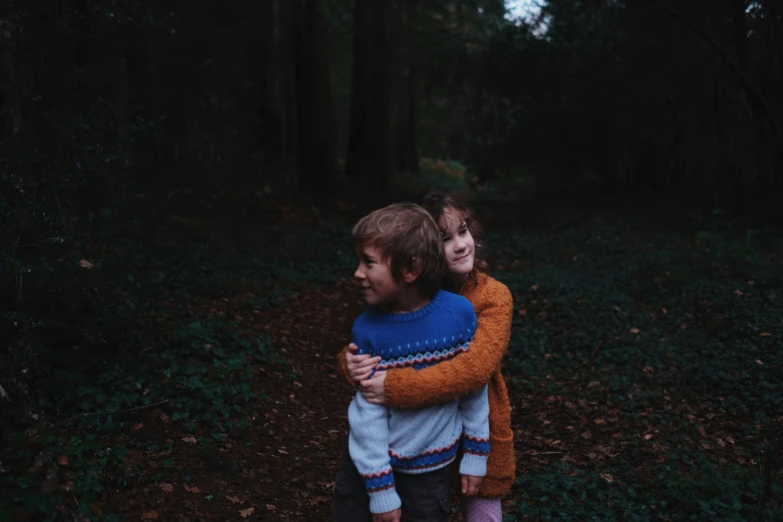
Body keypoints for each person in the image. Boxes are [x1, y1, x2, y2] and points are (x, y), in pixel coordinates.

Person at [339, 191, 514, 522]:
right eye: (445, 239)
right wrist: (350, 363)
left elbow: (474, 369)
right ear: (419, 256)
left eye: (463, 231)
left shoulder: (490, 297)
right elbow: (379, 342)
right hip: (415, 441)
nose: (461, 244)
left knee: (481, 514)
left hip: (477, 431)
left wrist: (393, 387)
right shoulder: (404, 297)